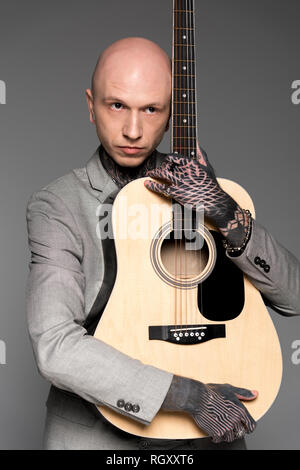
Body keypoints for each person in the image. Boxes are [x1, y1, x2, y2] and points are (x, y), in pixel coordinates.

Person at [26, 37, 300, 451]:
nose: (133, 130)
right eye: (117, 105)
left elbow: (294, 298)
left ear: (172, 113)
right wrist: (191, 397)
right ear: (90, 104)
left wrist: (225, 212)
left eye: (151, 109)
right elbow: (56, 346)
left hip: (211, 438)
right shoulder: (57, 205)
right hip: (98, 438)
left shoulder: (205, 192)